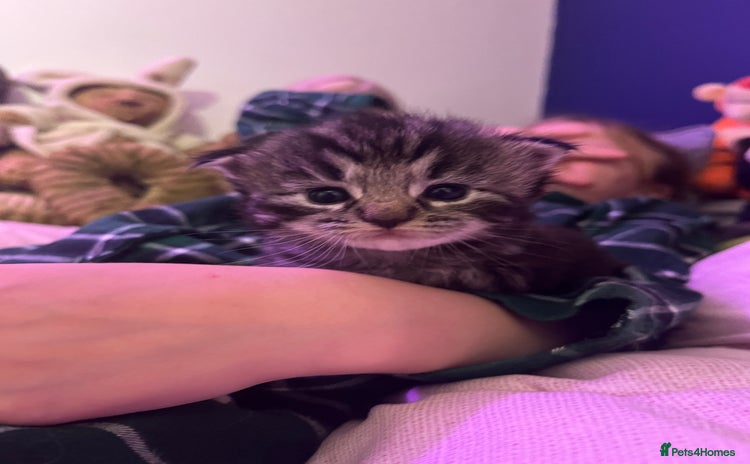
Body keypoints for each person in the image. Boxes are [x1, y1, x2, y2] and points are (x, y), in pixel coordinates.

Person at [0, 112, 715, 463]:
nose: (385, 214)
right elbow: (283, 139)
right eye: (332, 193)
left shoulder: (641, 214)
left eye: (584, 145)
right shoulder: (276, 173)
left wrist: (336, 315)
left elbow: (642, 299)